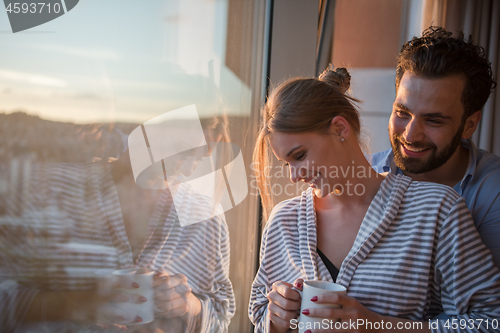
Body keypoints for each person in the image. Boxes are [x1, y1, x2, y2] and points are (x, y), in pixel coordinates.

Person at [248, 67, 500, 333]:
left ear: (340, 129)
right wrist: (276, 318)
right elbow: (260, 316)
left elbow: (491, 320)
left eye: (299, 156)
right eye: (285, 163)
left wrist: (379, 326)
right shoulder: (283, 220)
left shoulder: (437, 211)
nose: (294, 177)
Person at [0, 113, 235, 333]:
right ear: (149, 131)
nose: (185, 169)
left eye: (199, 159)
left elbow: (222, 314)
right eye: (181, 151)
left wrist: (189, 306)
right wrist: (72, 304)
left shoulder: (207, 217)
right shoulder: (52, 187)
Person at [369, 26, 500, 267]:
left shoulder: (494, 192)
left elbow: (490, 301)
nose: (410, 135)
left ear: (469, 125)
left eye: (433, 120)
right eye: (402, 112)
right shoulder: (363, 173)